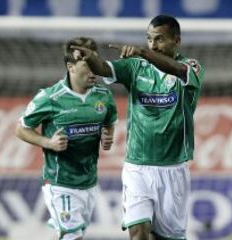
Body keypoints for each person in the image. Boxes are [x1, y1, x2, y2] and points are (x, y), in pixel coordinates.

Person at [71, 15, 205, 240]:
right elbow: (104, 68)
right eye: (149, 39)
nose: (153, 45)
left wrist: (144, 52)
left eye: (159, 39)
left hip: (173, 169)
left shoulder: (191, 67)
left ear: (176, 41)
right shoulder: (136, 67)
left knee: (169, 236)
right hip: (138, 167)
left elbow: (178, 70)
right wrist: (91, 58)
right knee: (138, 231)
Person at [15, 37, 117, 240]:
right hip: (60, 181)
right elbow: (21, 129)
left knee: (69, 235)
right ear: (71, 67)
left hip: (88, 181)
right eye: (88, 65)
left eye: (96, 63)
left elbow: (109, 120)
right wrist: (48, 143)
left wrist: (108, 136)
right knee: (72, 236)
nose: (94, 70)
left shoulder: (103, 96)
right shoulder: (50, 98)